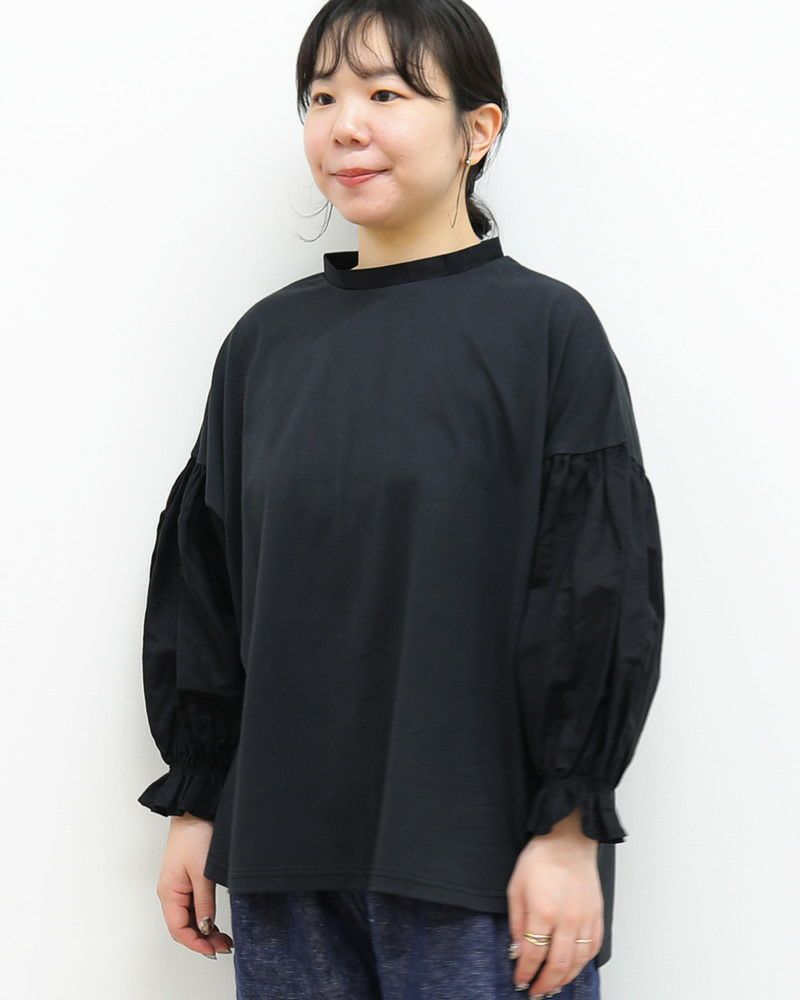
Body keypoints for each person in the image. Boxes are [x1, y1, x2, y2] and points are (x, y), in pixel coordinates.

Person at [137, 2, 665, 998]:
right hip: (285, 867)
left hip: (478, 867)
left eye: (386, 93)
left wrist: (567, 830)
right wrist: (199, 800)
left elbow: (592, 594)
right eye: (321, 97)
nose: (345, 125)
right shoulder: (263, 346)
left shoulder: (545, 333)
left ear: (477, 129)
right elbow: (205, 591)